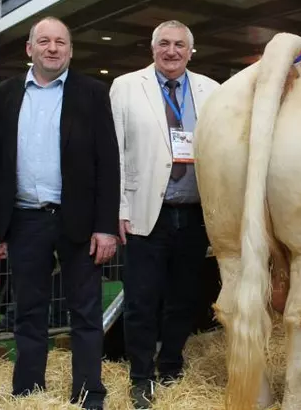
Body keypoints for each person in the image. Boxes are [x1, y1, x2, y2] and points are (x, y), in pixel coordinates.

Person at [0, 16, 120, 410]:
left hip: (78, 220)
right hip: (25, 219)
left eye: (60, 42)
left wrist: (106, 227)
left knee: (86, 312)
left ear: (70, 50)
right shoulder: (6, 95)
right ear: (29, 49)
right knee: (28, 312)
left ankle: (89, 393)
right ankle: (28, 392)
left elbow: (108, 163)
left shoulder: (92, 93)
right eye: (43, 41)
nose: (52, 48)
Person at [109, 20, 220, 409]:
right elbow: (115, 154)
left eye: (179, 45)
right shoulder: (126, 86)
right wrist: (118, 209)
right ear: (152, 48)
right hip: (144, 213)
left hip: (194, 214)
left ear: (192, 50)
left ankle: (171, 364)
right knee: (141, 299)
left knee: (184, 299)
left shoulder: (213, 91)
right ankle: (141, 376)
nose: (171, 52)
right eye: (164, 44)